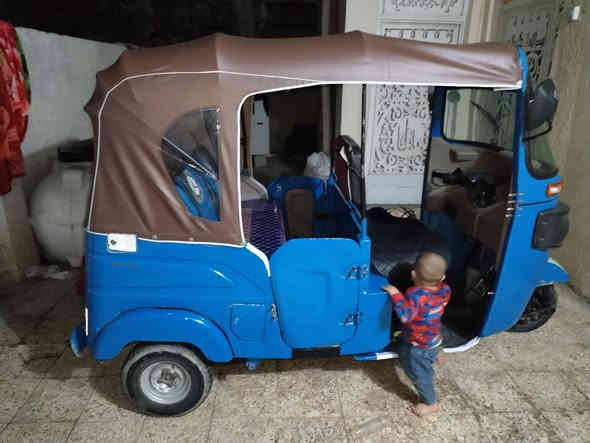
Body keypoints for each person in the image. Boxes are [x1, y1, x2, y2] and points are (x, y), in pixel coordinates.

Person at [381, 252, 451, 417]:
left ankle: (431, 403)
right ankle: (437, 351)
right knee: (426, 340)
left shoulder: (415, 294)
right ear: (442, 277)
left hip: (419, 345)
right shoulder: (445, 289)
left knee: (419, 375)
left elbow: (406, 316)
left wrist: (395, 293)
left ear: (413, 275)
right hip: (433, 334)